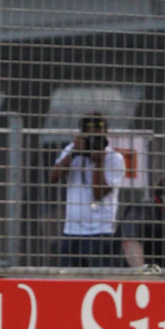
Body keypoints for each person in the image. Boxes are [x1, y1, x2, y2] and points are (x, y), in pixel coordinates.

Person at [49, 112, 126, 267]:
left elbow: (98, 194)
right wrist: (74, 153)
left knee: (98, 278)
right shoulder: (72, 150)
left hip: (100, 231)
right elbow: (53, 178)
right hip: (72, 230)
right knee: (69, 280)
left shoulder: (114, 158)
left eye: (98, 137)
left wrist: (100, 162)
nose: (93, 141)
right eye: (89, 136)